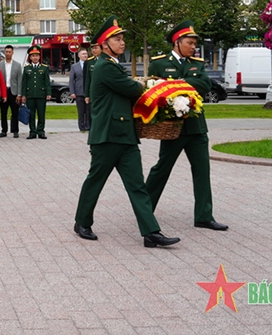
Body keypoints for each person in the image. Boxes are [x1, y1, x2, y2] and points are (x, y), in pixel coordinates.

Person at [74, 16, 180, 248]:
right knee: (96, 180)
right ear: (104, 45)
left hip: (125, 136)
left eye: (122, 39)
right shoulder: (104, 67)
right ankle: (82, 221)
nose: (122, 43)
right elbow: (130, 88)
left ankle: (151, 232)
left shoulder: (113, 66)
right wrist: (141, 84)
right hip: (108, 136)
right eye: (117, 39)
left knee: (137, 186)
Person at [145, 21, 228, 231]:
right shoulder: (159, 63)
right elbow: (154, 89)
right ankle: (144, 209)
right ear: (177, 42)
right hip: (173, 128)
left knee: (202, 171)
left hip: (197, 126)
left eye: (194, 44)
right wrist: (186, 83)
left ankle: (204, 216)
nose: (193, 47)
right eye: (189, 43)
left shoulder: (197, 63)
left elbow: (205, 84)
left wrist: (176, 84)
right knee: (162, 169)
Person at [20, 45, 51, 139]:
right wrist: (23, 95)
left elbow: (47, 82)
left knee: (41, 114)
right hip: (30, 95)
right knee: (31, 114)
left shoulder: (44, 68)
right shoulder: (26, 68)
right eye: (33, 56)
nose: (35, 57)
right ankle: (32, 131)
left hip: (41, 95)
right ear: (30, 57)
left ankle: (41, 131)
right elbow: (24, 83)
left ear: (39, 56)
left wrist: (48, 93)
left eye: (37, 55)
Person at [0, 45, 22, 138]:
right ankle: (4, 130)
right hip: (4, 92)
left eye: (9, 52)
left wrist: (19, 94)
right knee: (3, 112)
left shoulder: (17, 65)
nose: (8, 53)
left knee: (15, 112)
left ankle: (15, 130)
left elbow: (20, 81)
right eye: (6, 52)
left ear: (12, 53)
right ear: (4, 52)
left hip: (14, 92)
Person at [69, 50, 90, 132]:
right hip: (79, 91)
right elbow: (71, 80)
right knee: (81, 111)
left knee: (88, 110)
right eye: (83, 54)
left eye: (86, 54)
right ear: (79, 56)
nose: (85, 55)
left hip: (88, 92)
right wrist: (72, 92)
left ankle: (88, 126)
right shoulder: (75, 66)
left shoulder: (90, 64)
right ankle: (82, 127)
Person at [83, 43, 101, 129]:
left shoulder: (107, 60)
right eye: (92, 49)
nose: (93, 50)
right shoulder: (90, 62)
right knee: (92, 113)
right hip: (93, 93)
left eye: (96, 48)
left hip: (103, 93)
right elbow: (87, 80)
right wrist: (86, 95)